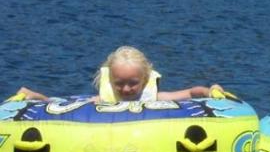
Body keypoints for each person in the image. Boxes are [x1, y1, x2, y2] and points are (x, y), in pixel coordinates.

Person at [16, 45, 222, 103]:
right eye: (119, 83)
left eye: (132, 83)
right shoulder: (105, 99)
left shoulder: (152, 97)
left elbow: (189, 93)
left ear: (145, 79)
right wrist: (38, 98)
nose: (125, 89)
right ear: (110, 80)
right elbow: (63, 105)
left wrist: (209, 90)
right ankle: (32, 93)